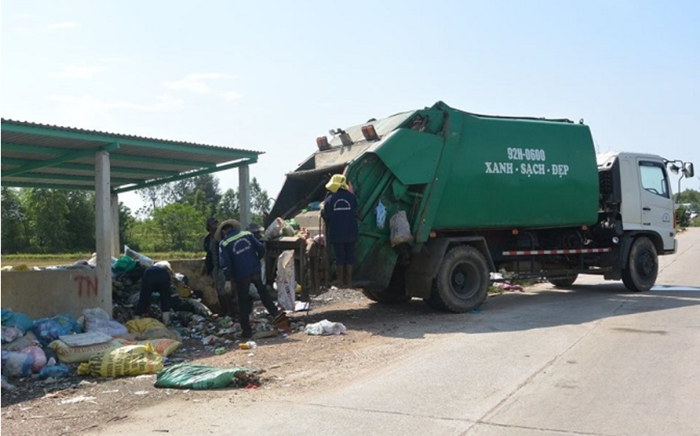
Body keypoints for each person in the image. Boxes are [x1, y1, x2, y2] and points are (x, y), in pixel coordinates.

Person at [218, 219, 285, 339]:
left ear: (224, 231)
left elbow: (225, 263)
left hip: (240, 275)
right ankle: (276, 314)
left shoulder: (224, 243)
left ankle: (246, 332)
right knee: (263, 292)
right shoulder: (247, 234)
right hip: (255, 270)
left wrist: (228, 279)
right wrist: (255, 260)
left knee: (243, 302)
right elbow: (261, 249)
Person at [321, 174, 358, 287]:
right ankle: (349, 281)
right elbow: (356, 210)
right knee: (350, 256)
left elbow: (326, 215)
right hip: (351, 232)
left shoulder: (330, 199)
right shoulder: (352, 198)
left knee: (339, 257)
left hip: (337, 233)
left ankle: (340, 282)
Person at [203, 217, 234, 317]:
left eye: (216, 224)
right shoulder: (207, 239)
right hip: (214, 267)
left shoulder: (222, 237)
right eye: (213, 224)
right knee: (218, 290)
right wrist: (207, 267)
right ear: (208, 227)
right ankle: (224, 310)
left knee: (223, 290)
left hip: (222, 266)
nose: (215, 226)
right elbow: (208, 253)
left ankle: (229, 310)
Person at [134, 261, 174, 325]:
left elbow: (143, 284)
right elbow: (170, 282)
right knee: (165, 299)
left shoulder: (149, 269)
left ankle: (136, 319)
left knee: (143, 298)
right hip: (163, 276)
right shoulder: (166, 270)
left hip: (150, 276)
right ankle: (166, 321)